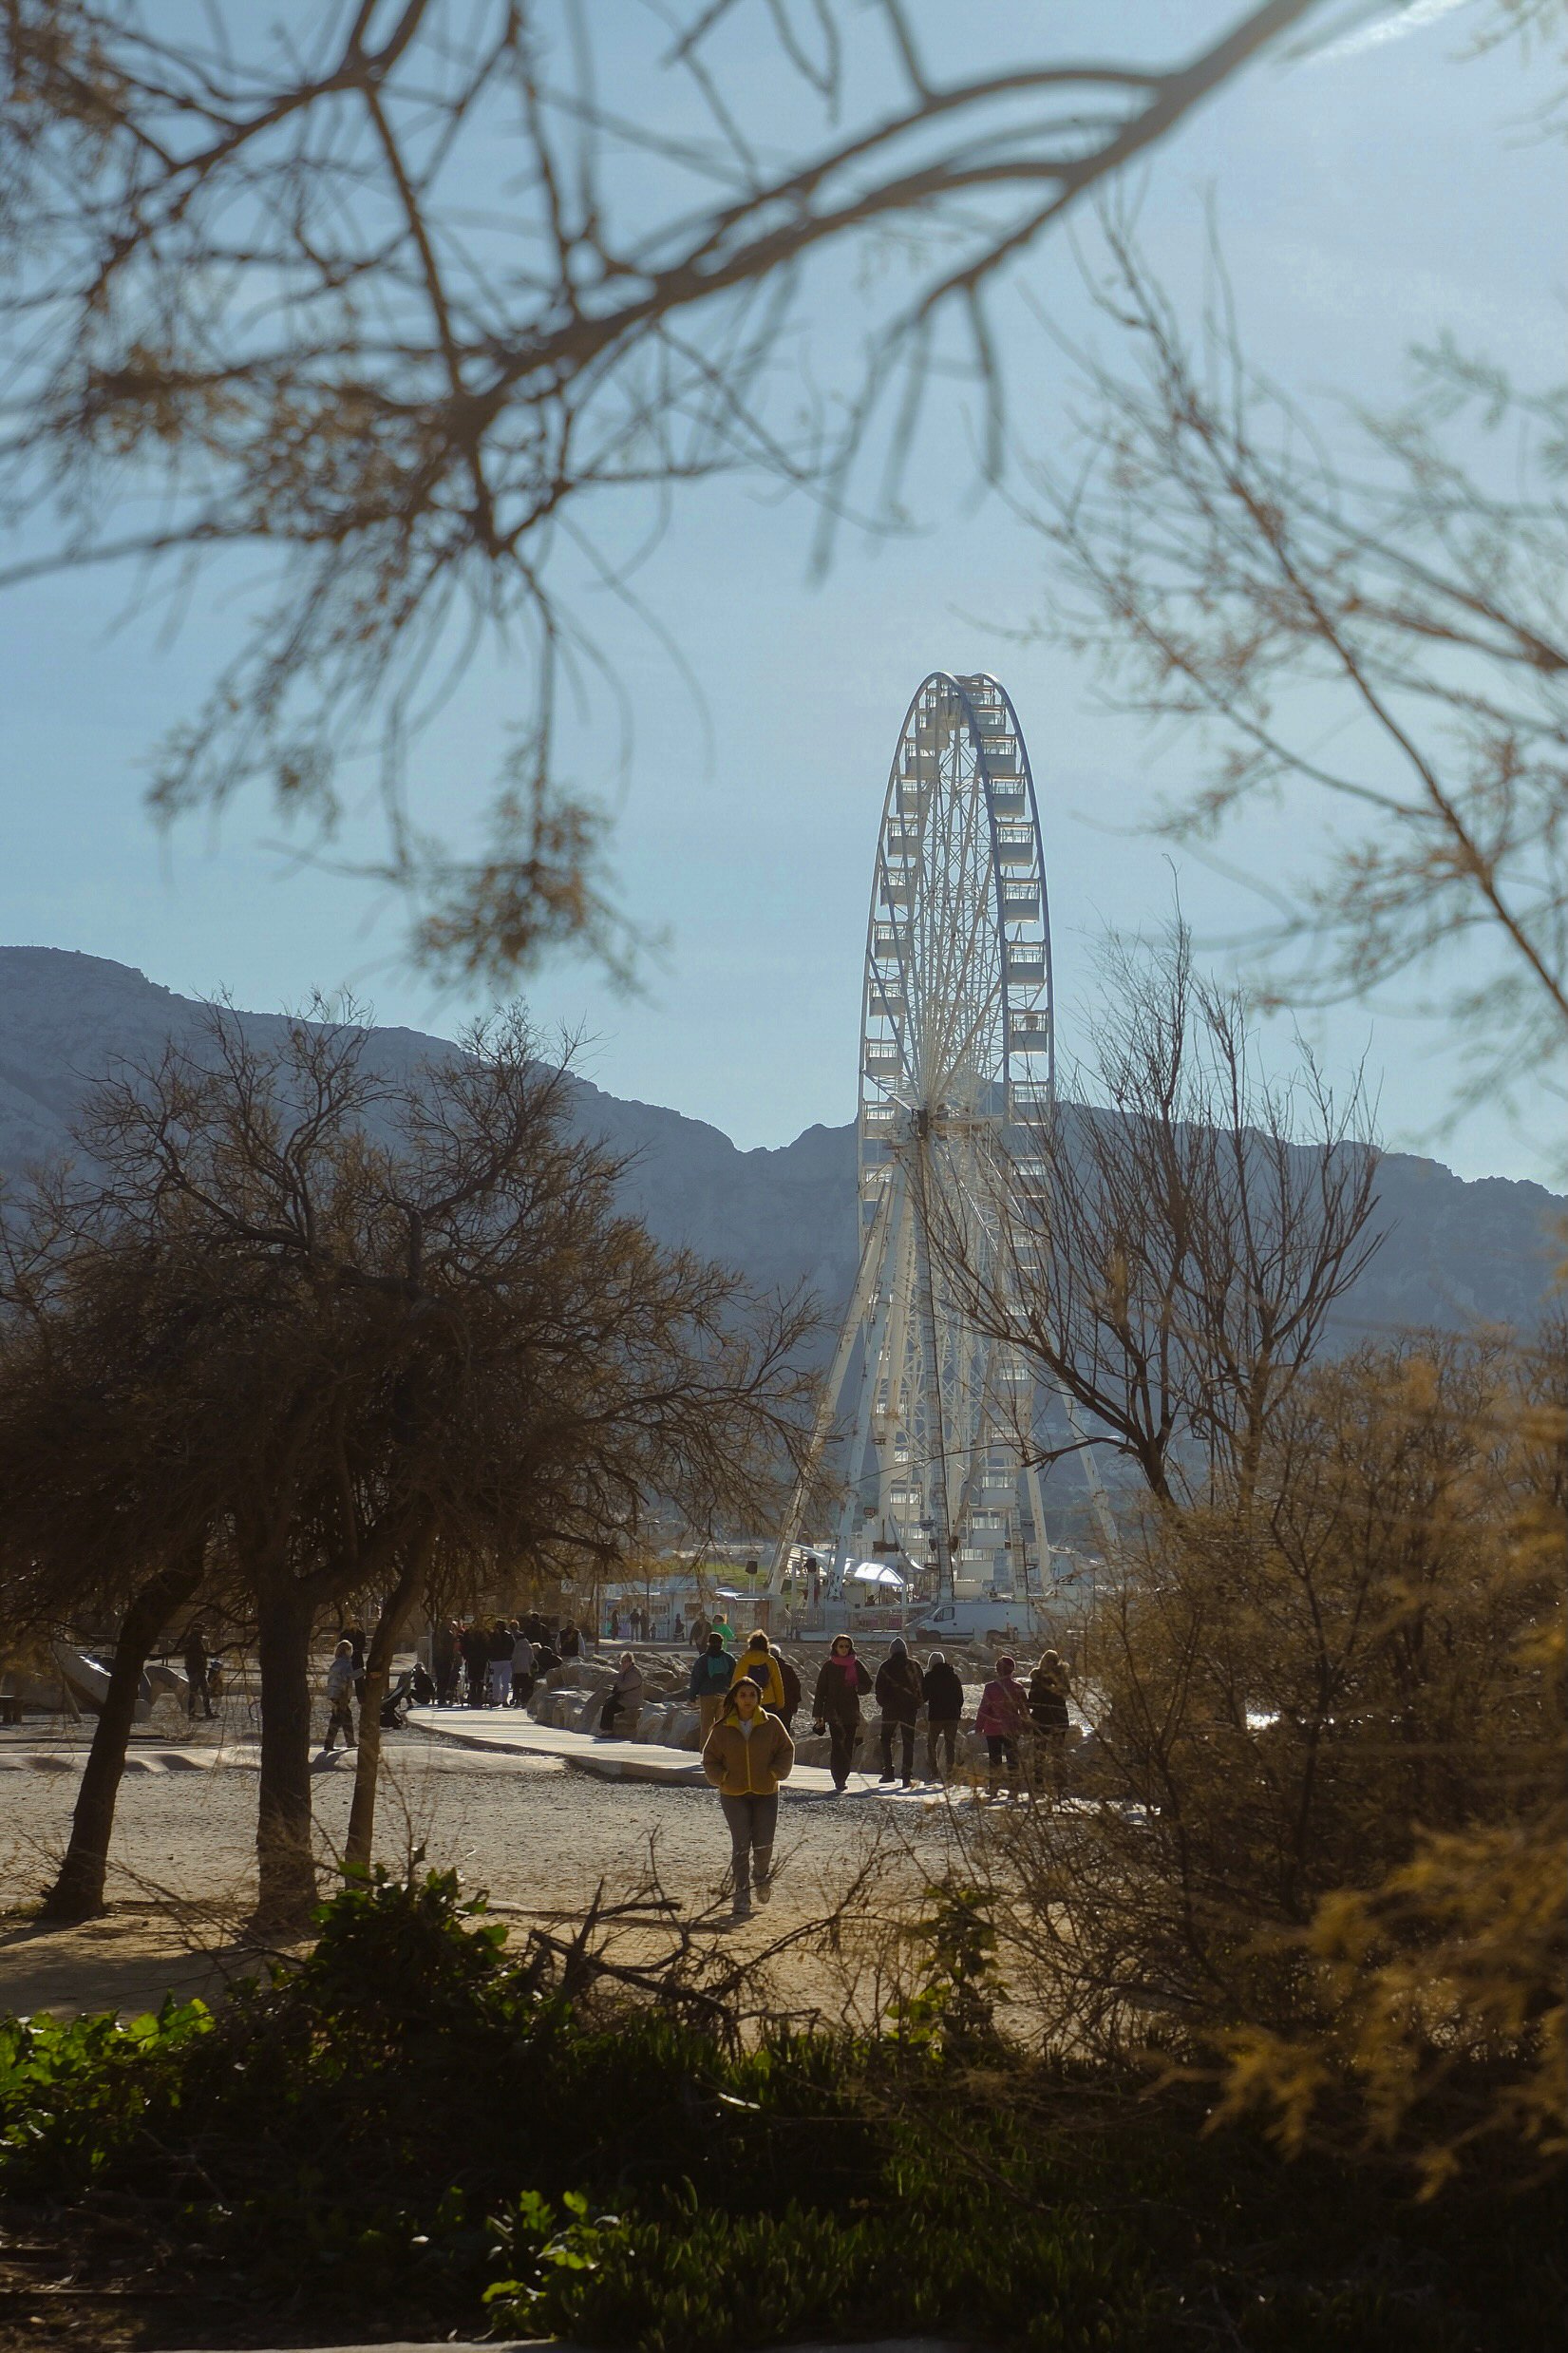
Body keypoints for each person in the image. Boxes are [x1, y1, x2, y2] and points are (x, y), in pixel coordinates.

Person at [701, 1674, 794, 1922]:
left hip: (766, 1793)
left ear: (759, 1698)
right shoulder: (722, 1728)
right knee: (741, 1844)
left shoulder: (772, 1724)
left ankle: (761, 1876)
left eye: (752, 1695)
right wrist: (720, 1777)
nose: (747, 1699)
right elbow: (709, 1758)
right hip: (733, 1794)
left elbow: (787, 1750)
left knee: (764, 1844)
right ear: (735, 1698)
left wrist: (776, 1773)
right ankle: (741, 1896)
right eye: (743, 1695)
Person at [811, 1634, 872, 1792]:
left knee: (847, 1746)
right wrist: (818, 1714)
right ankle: (837, 1778)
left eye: (846, 1646)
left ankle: (843, 1776)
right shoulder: (828, 1666)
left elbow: (867, 1683)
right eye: (841, 1646)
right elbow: (820, 1691)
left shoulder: (856, 1664)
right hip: (833, 1713)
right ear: (835, 1648)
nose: (844, 1649)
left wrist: (859, 1688)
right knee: (838, 1746)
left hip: (851, 1712)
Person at [975, 1654, 1030, 1798]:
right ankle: (1014, 1789)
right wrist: (1027, 1727)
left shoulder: (990, 1688)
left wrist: (979, 1726)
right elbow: (1024, 1710)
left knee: (994, 1759)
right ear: (1012, 1670)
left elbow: (984, 1709)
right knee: (1012, 1758)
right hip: (1012, 1727)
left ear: (997, 1670)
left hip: (993, 1728)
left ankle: (994, 1788)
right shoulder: (1018, 1687)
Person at [874, 1636, 923, 1786]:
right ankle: (906, 1776)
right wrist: (917, 1703)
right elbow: (922, 1687)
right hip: (909, 1710)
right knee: (908, 1742)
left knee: (886, 1739)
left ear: (891, 1651)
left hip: (890, 1710)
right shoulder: (914, 1665)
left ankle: (888, 1771)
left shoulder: (885, 1666)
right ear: (905, 1650)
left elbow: (879, 1689)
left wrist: (884, 1704)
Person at [1028, 1650, 1072, 1791]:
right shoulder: (1062, 1678)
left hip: (1041, 1719)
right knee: (1058, 1753)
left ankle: (1039, 1783)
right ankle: (1060, 1784)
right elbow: (1065, 1695)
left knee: (1039, 1753)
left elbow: (1032, 1701)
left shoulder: (1038, 1678)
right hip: (1059, 1718)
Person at [922, 1650, 965, 1781]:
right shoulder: (954, 1676)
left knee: (931, 1744)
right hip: (952, 1715)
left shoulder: (930, 1677)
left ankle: (934, 1772)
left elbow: (924, 1697)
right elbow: (960, 1698)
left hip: (936, 1715)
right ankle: (950, 1773)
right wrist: (957, 1710)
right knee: (950, 1745)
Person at [689, 1630, 738, 1741]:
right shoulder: (729, 1659)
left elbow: (696, 1679)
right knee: (723, 1725)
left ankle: (706, 1752)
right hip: (725, 1696)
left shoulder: (702, 1659)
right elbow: (735, 1677)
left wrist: (692, 1696)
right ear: (721, 1643)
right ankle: (723, 1752)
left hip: (707, 1695)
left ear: (708, 1643)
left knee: (706, 1725)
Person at [730, 1629, 785, 1712]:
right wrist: (780, 1704)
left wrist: (733, 1702)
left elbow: (736, 1681)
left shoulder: (744, 1660)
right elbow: (777, 1683)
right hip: (768, 1702)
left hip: (747, 1701)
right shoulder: (770, 1660)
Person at [322, 1639, 357, 1753]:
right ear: (347, 1650)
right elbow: (349, 1677)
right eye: (350, 1650)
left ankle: (346, 1741)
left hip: (334, 1694)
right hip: (341, 1694)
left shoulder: (336, 1663)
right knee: (340, 1718)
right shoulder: (346, 1664)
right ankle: (346, 1742)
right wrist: (363, 1671)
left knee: (341, 1717)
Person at [598, 1651, 644, 1736]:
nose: (623, 1664)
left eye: (625, 1662)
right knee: (607, 1704)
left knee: (610, 1707)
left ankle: (608, 1730)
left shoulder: (634, 1674)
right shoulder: (627, 1672)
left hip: (631, 1701)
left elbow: (622, 1687)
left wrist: (620, 1674)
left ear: (631, 1662)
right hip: (625, 1700)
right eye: (622, 1662)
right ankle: (604, 1729)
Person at [182, 1623, 216, 1721]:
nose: (202, 1634)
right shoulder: (193, 1642)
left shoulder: (194, 1641)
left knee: (202, 1691)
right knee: (196, 1692)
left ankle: (204, 1712)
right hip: (195, 1671)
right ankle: (193, 1714)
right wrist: (198, 1668)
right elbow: (195, 1657)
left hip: (197, 1671)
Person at [771, 1641, 802, 1731]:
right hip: (787, 1705)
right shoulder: (787, 1668)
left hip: (770, 1704)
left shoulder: (765, 1667)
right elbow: (796, 1685)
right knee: (784, 1729)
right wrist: (795, 1702)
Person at [460, 1619, 489, 1708]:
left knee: (473, 1679)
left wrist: (465, 1656)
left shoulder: (468, 1633)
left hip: (472, 1659)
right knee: (479, 1679)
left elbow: (463, 1645)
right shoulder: (484, 1633)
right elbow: (488, 1645)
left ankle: (474, 1697)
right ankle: (478, 1698)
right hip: (480, 1659)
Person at [487, 1619, 516, 1707]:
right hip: (506, 1660)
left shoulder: (492, 1635)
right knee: (506, 1682)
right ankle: (504, 1700)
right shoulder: (508, 1635)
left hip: (495, 1660)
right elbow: (513, 1646)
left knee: (496, 1681)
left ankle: (496, 1699)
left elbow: (489, 1646)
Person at [512, 1628, 537, 1707]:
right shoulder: (529, 1646)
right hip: (526, 1669)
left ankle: (516, 1699)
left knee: (516, 1685)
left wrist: (512, 1665)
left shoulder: (516, 1646)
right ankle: (524, 1700)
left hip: (517, 1669)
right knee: (524, 1685)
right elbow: (531, 1658)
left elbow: (514, 1658)